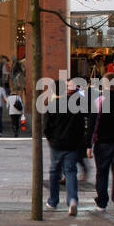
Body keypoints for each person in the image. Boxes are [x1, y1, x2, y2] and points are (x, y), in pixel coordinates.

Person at [43, 78, 87, 215]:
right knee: (70, 172)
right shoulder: (75, 105)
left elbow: (46, 127)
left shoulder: (51, 105)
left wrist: (51, 139)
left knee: (54, 172)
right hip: (72, 144)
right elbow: (81, 126)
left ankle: (53, 200)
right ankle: (72, 199)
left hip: (56, 144)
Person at [88, 83, 114, 214]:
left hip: (102, 143)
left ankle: (102, 203)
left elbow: (93, 124)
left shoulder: (98, 101)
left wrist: (89, 144)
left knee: (102, 173)